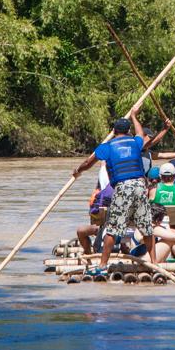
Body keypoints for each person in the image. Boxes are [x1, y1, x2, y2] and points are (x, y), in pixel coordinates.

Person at [71, 107, 155, 275]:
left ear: (114, 131)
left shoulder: (107, 147)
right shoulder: (136, 143)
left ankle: (102, 265)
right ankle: (155, 263)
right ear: (128, 130)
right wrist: (134, 116)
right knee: (146, 227)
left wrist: (78, 170)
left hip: (122, 187)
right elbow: (140, 133)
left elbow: (89, 162)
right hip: (140, 186)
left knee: (112, 228)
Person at [76, 183, 112, 255]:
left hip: (109, 229)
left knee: (81, 231)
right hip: (129, 231)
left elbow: (93, 213)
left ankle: (88, 253)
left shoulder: (106, 191)